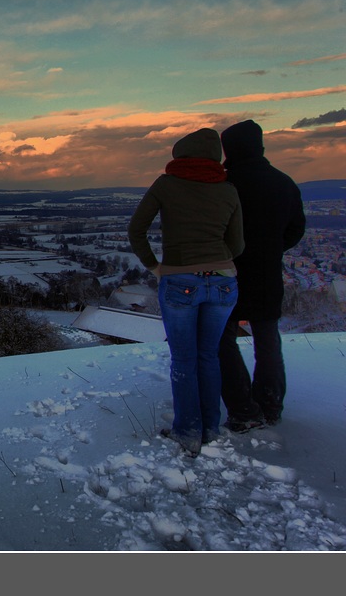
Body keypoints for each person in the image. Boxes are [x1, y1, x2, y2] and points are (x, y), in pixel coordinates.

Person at [128, 128, 244, 457]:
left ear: (181, 153)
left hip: (180, 279)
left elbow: (136, 229)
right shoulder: (228, 189)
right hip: (224, 281)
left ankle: (188, 432)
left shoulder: (167, 184)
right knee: (209, 356)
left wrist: (155, 266)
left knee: (184, 359)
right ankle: (211, 427)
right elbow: (237, 245)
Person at [218, 120, 306, 431]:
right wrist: (272, 249)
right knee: (267, 342)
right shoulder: (283, 183)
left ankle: (243, 408)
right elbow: (296, 229)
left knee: (222, 340)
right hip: (268, 274)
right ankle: (270, 406)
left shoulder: (223, 184)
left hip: (226, 273)